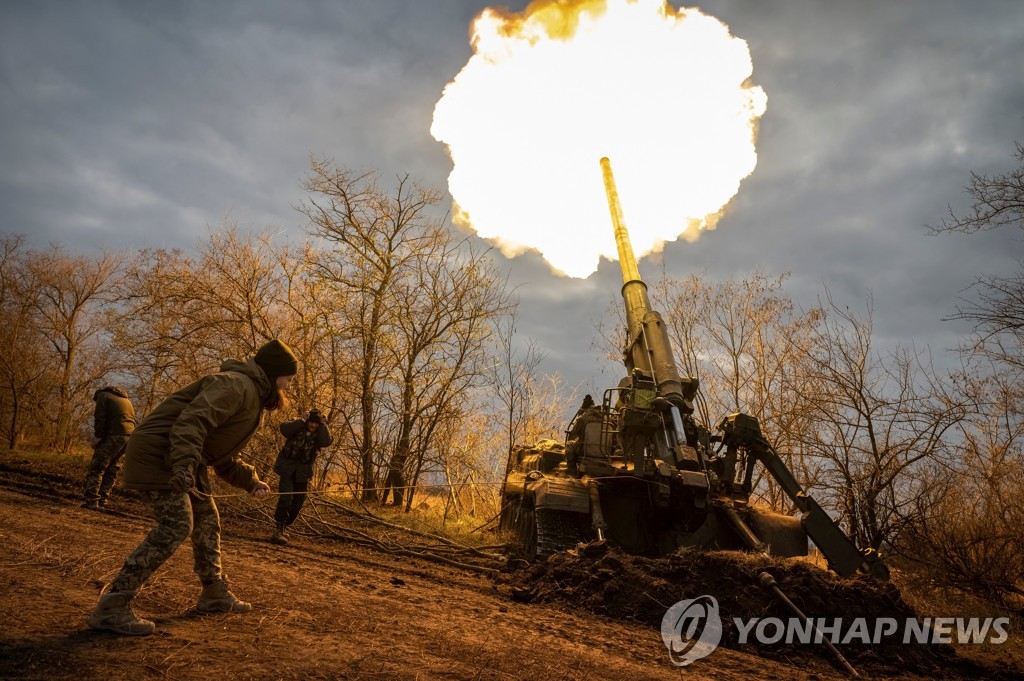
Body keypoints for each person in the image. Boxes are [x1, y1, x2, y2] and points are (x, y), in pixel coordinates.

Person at [88, 338, 298, 636]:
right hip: (161, 455)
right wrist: (183, 466)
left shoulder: (251, 395)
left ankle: (213, 593)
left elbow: (222, 457)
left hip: (181, 458)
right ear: (276, 372)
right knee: (177, 524)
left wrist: (250, 482)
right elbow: (192, 423)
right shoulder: (235, 385)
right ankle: (112, 606)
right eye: (289, 376)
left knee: (206, 517)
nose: (290, 384)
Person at [270, 408, 333, 545]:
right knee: (286, 497)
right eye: (312, 422)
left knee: (298, 502)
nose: (313, 425)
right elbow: (284, 430)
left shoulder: (320, 432)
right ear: (307, 420)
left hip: (303, 472)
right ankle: (278, 528)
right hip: (287, 468)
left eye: (317, 423)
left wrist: (324, 424)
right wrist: (302, 420)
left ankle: (285, 526)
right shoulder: (297, 425)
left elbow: (326, 442)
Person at [82, 386, 136, 510]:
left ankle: (91, 501)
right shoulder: (124, 399)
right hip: (129, 437)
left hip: (114, 435)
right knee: (112, 469)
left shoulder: (103, 396)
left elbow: (100, 417)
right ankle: (102, 500)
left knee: (97, 468)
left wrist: (98, 437)